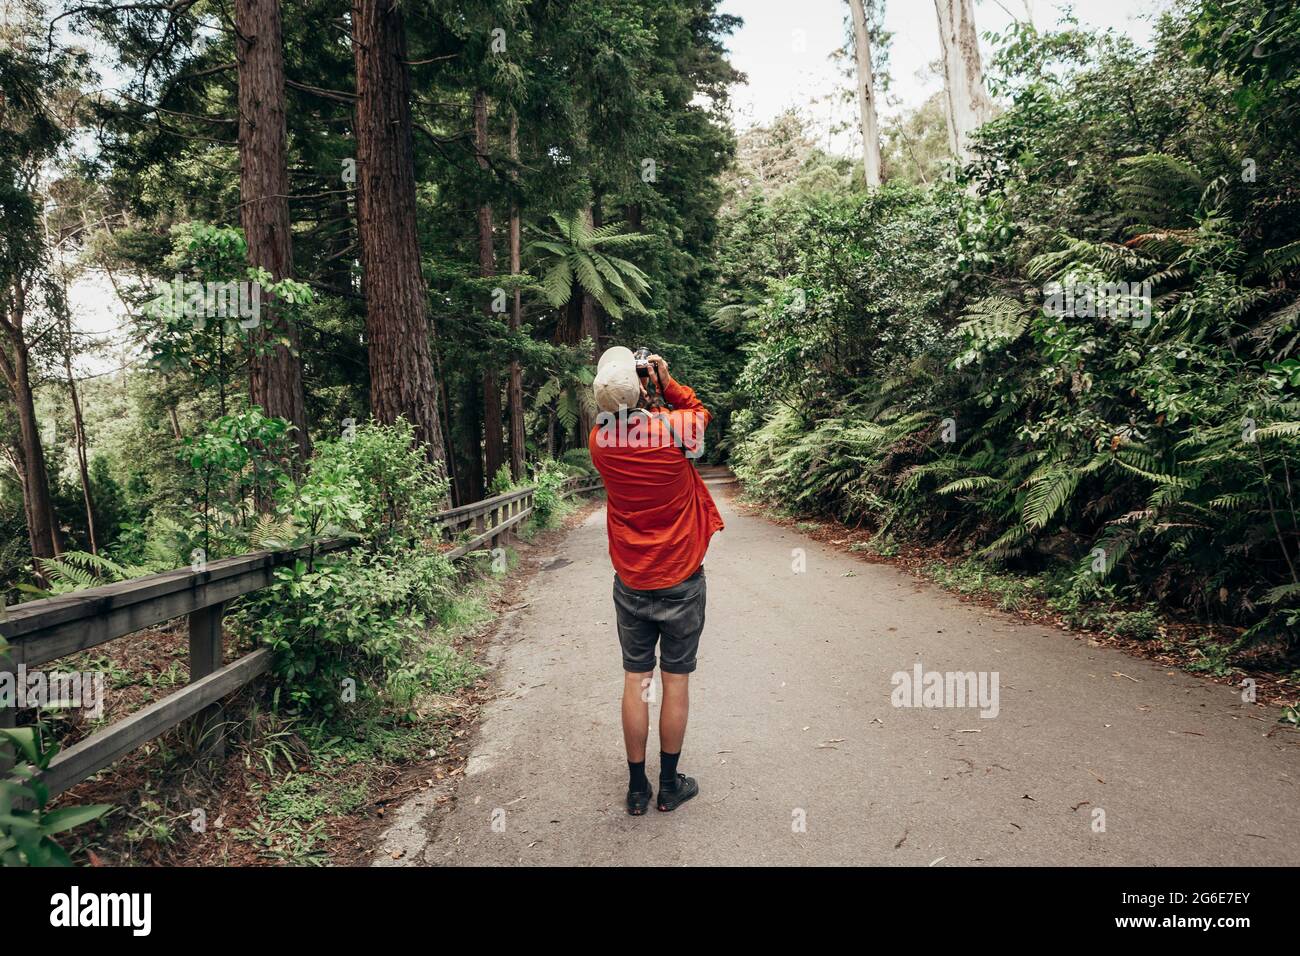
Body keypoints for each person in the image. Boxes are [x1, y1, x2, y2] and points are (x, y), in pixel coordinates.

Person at [588, 346, 724, 815]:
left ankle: (635, 789)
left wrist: (638, 394)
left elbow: (624, 420)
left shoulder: (599, 443)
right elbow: (699, 412)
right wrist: (666, 381)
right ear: (642, 385)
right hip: (682, 576)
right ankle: (669, 785)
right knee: (676, 680)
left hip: (632, 580)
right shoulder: (675, 431)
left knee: (636, 679)